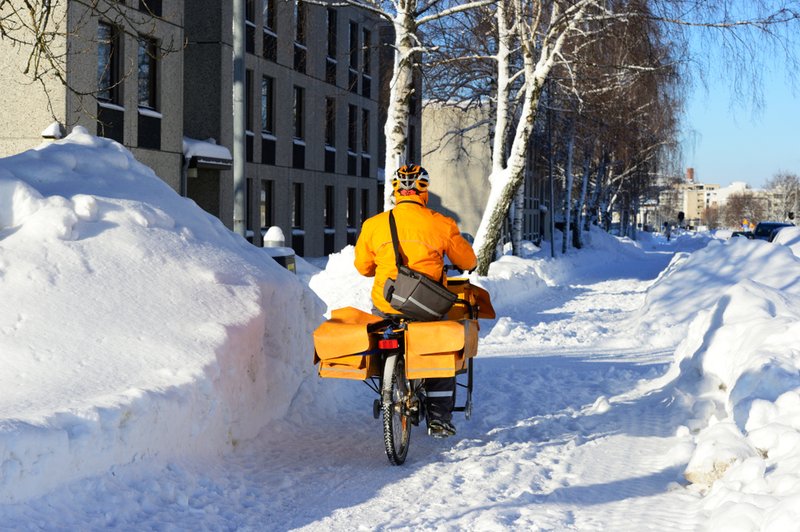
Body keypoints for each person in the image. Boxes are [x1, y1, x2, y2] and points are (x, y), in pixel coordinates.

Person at [354, 164, 477, 438]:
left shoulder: (374, 225)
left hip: (386, 304)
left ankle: (389, 382)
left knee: (385, 327)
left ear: (396, 191)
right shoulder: (441, 223)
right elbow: (468, 261)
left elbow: (363, 267)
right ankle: (439, 418)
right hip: (427, 308)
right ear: (424, 191)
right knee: (439, 350)